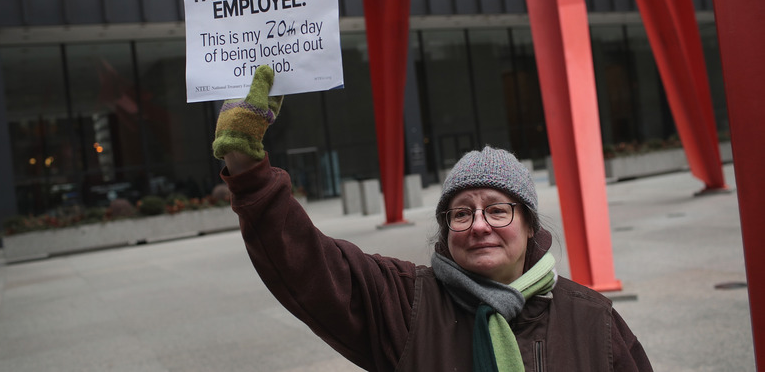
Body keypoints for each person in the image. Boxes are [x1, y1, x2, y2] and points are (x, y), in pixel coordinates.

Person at [213, 65, 653, 371]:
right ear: (446, 230)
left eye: (498, 210)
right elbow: (308, 265)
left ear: (531, 225)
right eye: (461, 214)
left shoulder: (593, 321)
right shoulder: (406, 303)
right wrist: (247, 167)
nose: (479, 224)